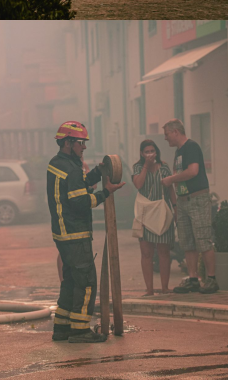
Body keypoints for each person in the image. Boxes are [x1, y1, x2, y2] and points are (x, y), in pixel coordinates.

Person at [47, 120, 125, 343]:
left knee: (70, 281)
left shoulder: (58, 163)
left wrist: (98, 173)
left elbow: (79, 185)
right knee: (87, 282)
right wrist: (105, 193)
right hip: (75, 234)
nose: (84, 147)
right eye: (81, 142)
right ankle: (80, 331)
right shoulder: (70, 168)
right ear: (68, 142)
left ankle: (61, 328)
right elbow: (80, 201)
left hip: (63, 234)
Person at [160, 119, 217, 294]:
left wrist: (171, 179)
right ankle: (193, 278)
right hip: (184, 200)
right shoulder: (178, 152)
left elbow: (193, 171)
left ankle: (212, 279)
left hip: (197, 198)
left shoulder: (191, 147)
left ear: (176, 132)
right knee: (187, 241)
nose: (165, 138)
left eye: (167, 134)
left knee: (202, 238)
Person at [132, 139, 174, 296]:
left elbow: (170, 189)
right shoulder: (137, 167)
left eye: (152, 151)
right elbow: (138, 184)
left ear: (156, 152)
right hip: (144, 213)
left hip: (162, 211)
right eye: (146, 151)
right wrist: (145, 167)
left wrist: (175, 208)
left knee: (163, 251)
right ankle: (149, 289)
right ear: (142, 154)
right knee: (146, 252)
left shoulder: (164, 167)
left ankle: (165, 287)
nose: (150, 154)